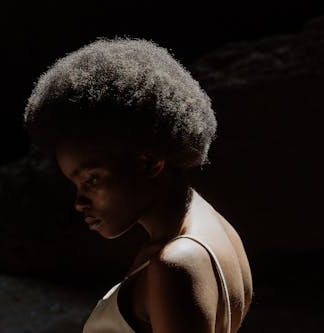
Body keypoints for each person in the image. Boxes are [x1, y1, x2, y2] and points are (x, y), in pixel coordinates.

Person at [23, 37, 253, 333]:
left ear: (150, 162)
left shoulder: (177, 264)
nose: (80, 202)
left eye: (92, 179)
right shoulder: (212, 225)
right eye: (75, 184)